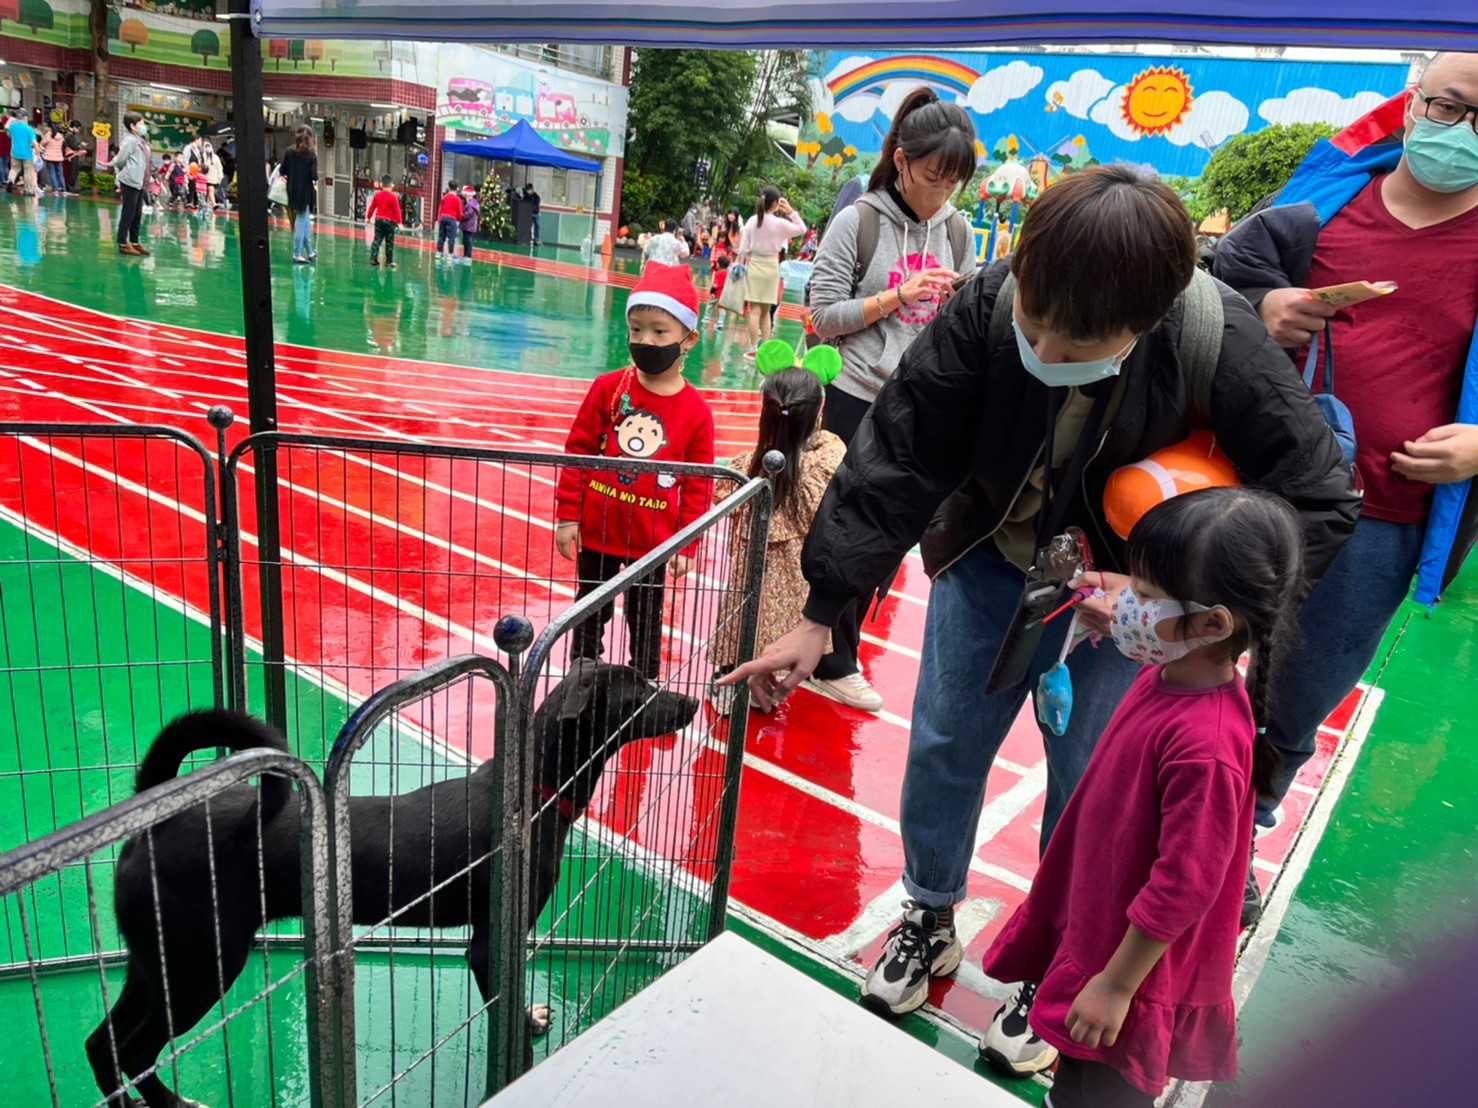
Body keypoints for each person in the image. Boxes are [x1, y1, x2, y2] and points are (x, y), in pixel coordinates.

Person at [720, 166, 1360, 1072]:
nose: (1048, 349)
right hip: (992, 558)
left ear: (1150, 316)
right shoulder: (984, 307)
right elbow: (899, 456)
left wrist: (1169, 598)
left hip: (1130, 600)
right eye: (1035, 320)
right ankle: (929, 912)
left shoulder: (1215, 335)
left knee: (1096, 780)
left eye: (1079, 340)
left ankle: (1064, 957)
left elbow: (1320, 499)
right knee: (945, 742)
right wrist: (821, 612)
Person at [1214, 49, 1478, 835]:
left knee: (1297, 701)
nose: (1461, 131)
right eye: (1449, 107)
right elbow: (1210, 288)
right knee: (1182, 654)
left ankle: (1241, 831)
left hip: (1385, 519)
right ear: (1412, 102)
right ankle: (1164, 819)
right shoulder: (1318, 202)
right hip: (1246, 484)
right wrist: (1263, 305)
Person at [981, 486, 1305, 1106]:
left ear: (1212, 624)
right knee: (1070, 1087)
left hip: (1131, 969)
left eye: (1147, 595)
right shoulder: (1168, 673)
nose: (1129, 602)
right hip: (1106, 930)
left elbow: (1186, 882)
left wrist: (1116, 986)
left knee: (1103, 1092)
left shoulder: (1206, 744)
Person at [800, 86, 979, 712]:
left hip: (919, 400)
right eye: (932, 177)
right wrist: (898, 297)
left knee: (891, 530)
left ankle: (830, 650)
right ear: (902, 160)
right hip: (853, 393)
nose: (942, 193)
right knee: (844, 524)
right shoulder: (860, 221)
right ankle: (833, 659)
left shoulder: (957, 229)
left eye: (953, 182)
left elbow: (964, 320)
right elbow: (822, 315)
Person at [554, 264, 716, 679]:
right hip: (598, 532)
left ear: (689, 339)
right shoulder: (609, 388)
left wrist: (687, 545)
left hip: (654, 543)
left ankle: (644, 682)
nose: (646, 341)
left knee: (646, 616)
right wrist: (568, 515)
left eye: (660, 332)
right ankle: (581, 677)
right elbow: (578, 452)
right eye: (637, 330)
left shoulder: (696, 412)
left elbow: (698, 485)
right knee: (590, 608)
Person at [707, 350, 847, 712]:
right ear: (817, 414)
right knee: (784, 623)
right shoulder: (824, 460)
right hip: (797, 570)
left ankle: (729, 680)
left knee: (742, 618)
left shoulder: (750, 465)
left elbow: (722, 496)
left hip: (749, 566)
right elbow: (822, 500)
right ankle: (770, 677)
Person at [738, 187, 807, 354]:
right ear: (776, 203)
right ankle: (765, 348)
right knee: (766, 312)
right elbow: (802, 229)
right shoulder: (780, 223)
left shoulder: (752, 221)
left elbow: (743, 250)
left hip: (754, 265)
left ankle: (753, 348)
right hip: (771, 266)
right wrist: (791, 212)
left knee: (754, 311)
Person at [108, 112, 151, 257]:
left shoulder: (142, 140)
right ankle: (122, 243)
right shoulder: (129, 140)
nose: (144, 126)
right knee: (128, 213)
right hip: (130, 181)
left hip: (140, 182)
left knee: (137, 214)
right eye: (141, 123)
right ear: (132, 126)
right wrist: (125, 173)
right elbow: (120, 160)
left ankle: (134, 241)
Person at [278, 126, 319, 264]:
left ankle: (310, 252)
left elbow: (282, 170)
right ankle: (296, 254)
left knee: (305, 221)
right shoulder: (311, 155)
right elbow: (314, 176)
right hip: (305, 193)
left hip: (291, 190)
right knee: (301, 222)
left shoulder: (289, 152)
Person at [365, 175, 402, 269]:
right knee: (389, 242)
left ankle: (373, 258)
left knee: (377, 239)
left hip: (379, 219)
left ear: (381, 185)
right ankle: (389, 261)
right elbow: (397, 210)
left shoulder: (377, 195)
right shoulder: (393, 197)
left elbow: (372, 207)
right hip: (390, 221)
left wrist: (368, 217)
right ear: (391, 185)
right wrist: (399, 222)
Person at [7, 110, 40, 198]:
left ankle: (10, 181)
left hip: (15, 152)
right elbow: (34, 143)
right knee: (28, 171)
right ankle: (28, 190)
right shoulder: (29, 129)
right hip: (27, 154)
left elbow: (10, 135)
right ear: (25, 118)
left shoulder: (12, 127)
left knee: (14, 169)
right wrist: (38, 155)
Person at [436, 180, 463, 260]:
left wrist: (439, 218)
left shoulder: (445, 197)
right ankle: (450, 254)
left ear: (448, 187)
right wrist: (458, 220)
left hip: (443, 217)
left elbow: (441, 208)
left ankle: (439, 253)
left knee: (441, 236)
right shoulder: (458, 199)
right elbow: (459, 212)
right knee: (451, 237)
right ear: (457, 189)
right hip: (452, 219)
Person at [62, 121, 87, 194]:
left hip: (70, 155)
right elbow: (74, 147)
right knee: (73, 171)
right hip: (71, 155)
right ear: (74, 127)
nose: (78, 130)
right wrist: (81, 145)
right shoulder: (70, 135)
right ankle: (70, 187)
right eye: (78, 128)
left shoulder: (69, 134)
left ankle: (70, 187)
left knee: (72, 171)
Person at [459, 184, 481, 263]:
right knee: (466, 240)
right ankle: (466, 255)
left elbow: (468, 215)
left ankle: (468, 256)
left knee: (467, 241)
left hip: (468, 226)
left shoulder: (471, 204)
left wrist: (461, 215)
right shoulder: (473, 203)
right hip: (469, 226)